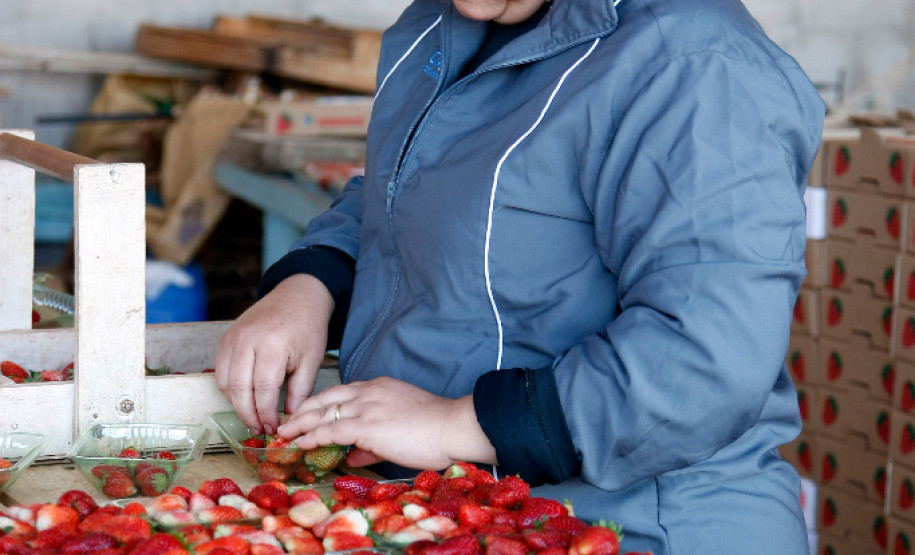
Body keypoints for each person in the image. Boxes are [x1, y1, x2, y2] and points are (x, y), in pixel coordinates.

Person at [215, 0, 825, 552]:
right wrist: (311, 282)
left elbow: (706, 357)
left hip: (632, 525)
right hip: (461, 510)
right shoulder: (439, 23)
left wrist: (455, 424)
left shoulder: (695, 64)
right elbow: (412, 190)